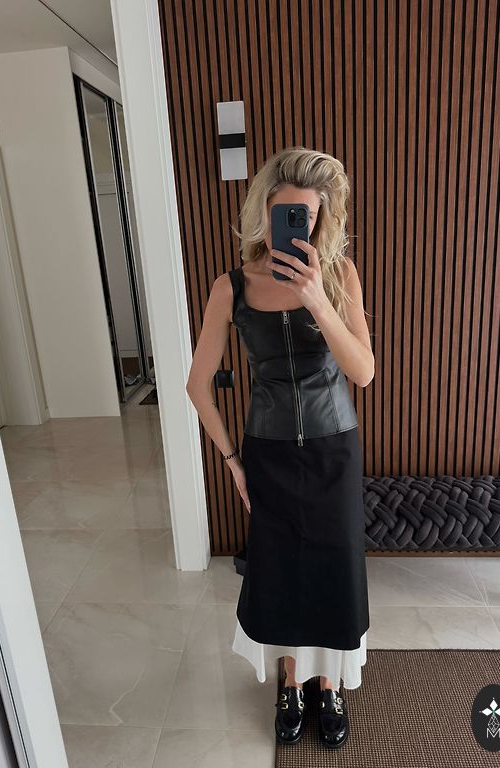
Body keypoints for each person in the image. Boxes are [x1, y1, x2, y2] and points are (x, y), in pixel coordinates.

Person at [185, 146, 374, 749]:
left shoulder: (339, 277)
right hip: (266, 452)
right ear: (262, 213)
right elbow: (197, 386)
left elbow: (363, 371)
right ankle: (291, 681)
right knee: (282, 570)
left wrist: (317, 298)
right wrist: (232, 463)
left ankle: (330, 685)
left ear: (318, 222)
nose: (293, 226)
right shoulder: (231, 287)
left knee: (334, 566)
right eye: (282, 214)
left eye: (306, 217)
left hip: (333, 448)